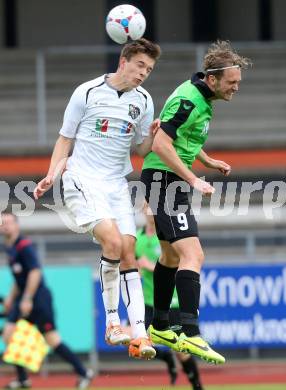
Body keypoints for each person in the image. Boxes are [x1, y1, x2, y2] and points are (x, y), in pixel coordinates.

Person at [34, 38, 161, 359]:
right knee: (114, 244)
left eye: (149, 69)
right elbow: (65, 139)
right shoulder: (87, 92)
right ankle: (112, 322)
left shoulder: (144, 101)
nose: (144, 73)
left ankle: (140, 334)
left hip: (116, 184)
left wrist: (152, 136)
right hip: (81, 178)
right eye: (140, 66)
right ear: (124, 61)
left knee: (129, 250)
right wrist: (51, 174)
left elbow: (142, 151)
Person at [141, 40, 252, 364]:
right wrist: (192, 178)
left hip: (165, 180)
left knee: (171, 256)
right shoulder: (191, 100)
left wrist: (207, 160)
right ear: (213, 78)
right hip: (166, 180)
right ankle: (190, 333)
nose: (235, 88)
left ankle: (160, 325)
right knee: (194, 254)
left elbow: (181, 138)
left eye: (238, 82)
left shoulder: (200, 96)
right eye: (232, 82)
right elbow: (161, 145)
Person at [0, 213, 94, 389]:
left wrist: (27, 299)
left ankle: (84, 372)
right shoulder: (9, 247)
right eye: (2, 223)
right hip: (23, 298)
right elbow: (19, 277)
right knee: (8, 334)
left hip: (38, 299)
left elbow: (35, 272)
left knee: (52, 340)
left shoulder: (24, 246)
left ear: (16, 225)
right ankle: (22, 379)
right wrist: (11, 298)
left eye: (8, 223)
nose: (4, 226)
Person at [136, 204, 204, 390]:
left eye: (153, 207)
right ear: (143, 210)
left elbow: (182, 263)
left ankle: (197, 385)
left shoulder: (167, 235)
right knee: (134, 339)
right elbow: (132, 264)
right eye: (147, 207)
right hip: (149, 302)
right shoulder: (137, 238)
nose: (151, 211)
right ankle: (166, 358)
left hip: (172, 301)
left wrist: (149, 266)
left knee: (181, 350)